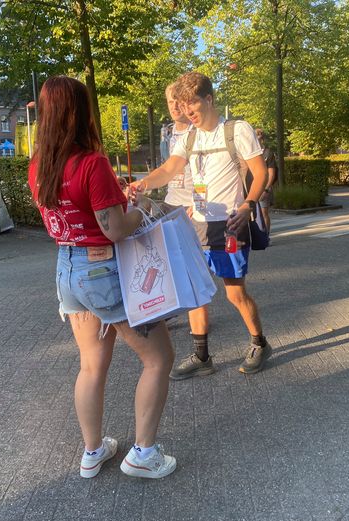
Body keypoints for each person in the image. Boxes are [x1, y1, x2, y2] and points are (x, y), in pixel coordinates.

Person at [28, 76, 176, 480]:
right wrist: (144, 207)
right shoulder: (92, 163)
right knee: (159, 358)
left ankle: (92, 452)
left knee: (91, 366)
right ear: (81, 112)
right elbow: (114, 228)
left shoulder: (39, 165)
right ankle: (143, 454)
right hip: (104, 271)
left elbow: (68, 217)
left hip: (67, 269)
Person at [131, 71, 272, 377]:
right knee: (195, 290)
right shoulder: (190, 136)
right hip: (197, 223)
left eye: (192, 104)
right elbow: (170, 169)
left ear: (209, 99)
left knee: (234, 293)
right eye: (183, 106)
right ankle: (201, 356)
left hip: (230, 223)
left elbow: (260, 173)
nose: (188, 112)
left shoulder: (236, 130)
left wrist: (248, 205)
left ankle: (260, 343)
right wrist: (143, 184)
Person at [162, 82, 193, 213]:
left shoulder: (199, 132)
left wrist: (199, 204)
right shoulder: (166, 134)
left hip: (192, 205)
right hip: (170, 203)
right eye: (170, 102)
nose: (174, 106)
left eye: (178, 101)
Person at [255, 128, 277, 233]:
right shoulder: (252, 153)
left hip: (264, 188)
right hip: (252, 187)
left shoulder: (268, 153)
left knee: (264, 213)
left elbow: (271, 173)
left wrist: (266, 189)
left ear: (262, 139)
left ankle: (266, 236)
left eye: (258, 138)